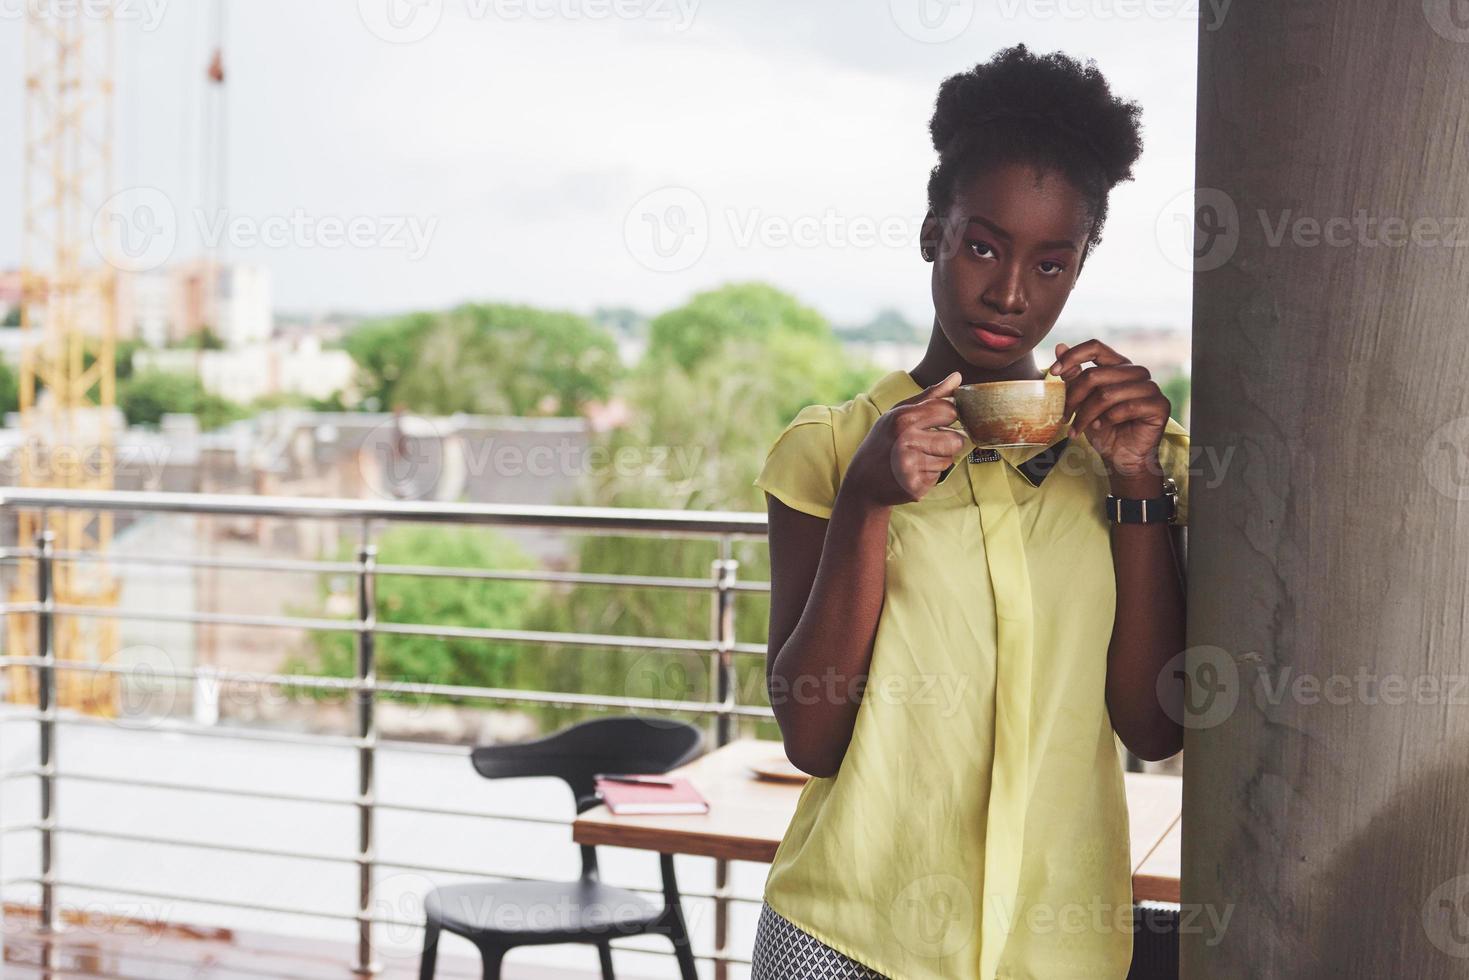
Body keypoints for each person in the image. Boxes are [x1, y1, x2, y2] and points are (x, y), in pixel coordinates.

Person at [748, 43, 1189, 980]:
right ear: (931, 234)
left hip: (1057, 951)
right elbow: (812, 737)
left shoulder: (1122, 458)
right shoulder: (829, 450)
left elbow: (1152, 726)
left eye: (1049, 262)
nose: (1008, 292)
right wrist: (868, 501)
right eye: (982, 244)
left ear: (1078, 268)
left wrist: (1139, 489)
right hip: (847, 940)